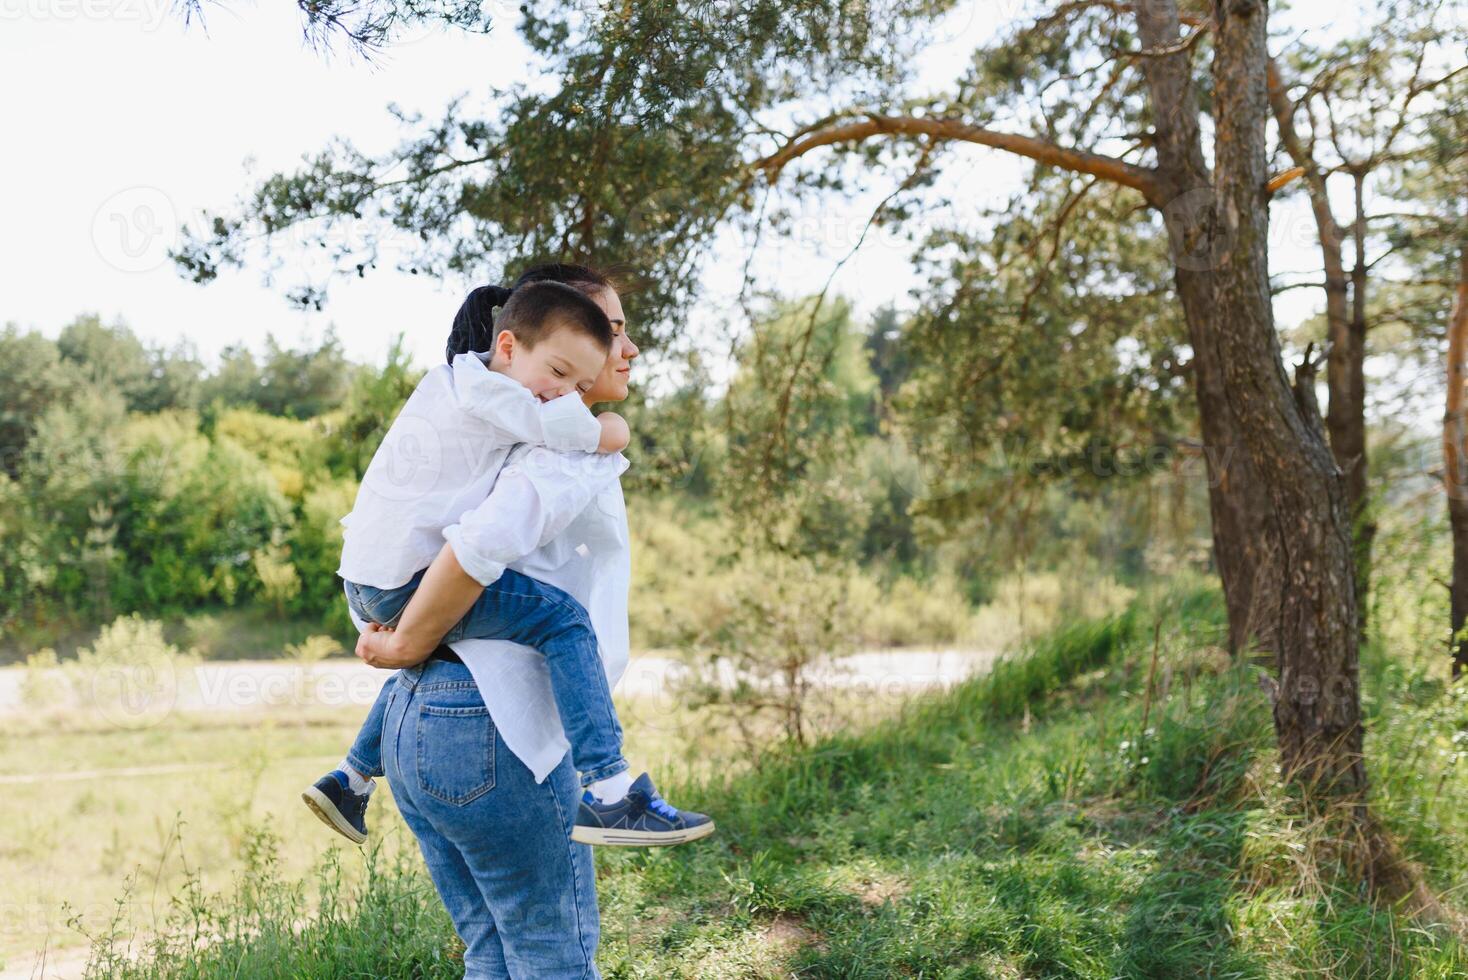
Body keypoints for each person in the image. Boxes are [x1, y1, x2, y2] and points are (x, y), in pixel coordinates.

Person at [302, 272, 712, 852]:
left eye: (579, 381)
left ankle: (351, 777)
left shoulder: (457, 381)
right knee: (563, 620)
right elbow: (549, 453)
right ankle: (610, 788)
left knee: (448, 633)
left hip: (367, 577)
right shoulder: (501, 399)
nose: (562, 392)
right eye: (561, 373)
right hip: (404, 586)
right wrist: (609, 430)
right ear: (511, 346)